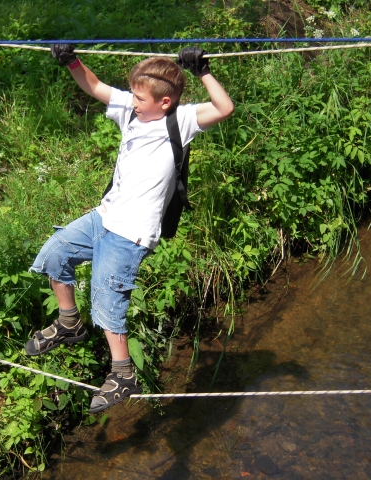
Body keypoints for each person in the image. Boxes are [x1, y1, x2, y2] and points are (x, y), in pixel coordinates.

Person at [27, 44, 234, 413]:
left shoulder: (181, 120)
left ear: (165, 102)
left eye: (140, 97)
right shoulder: (131, 110)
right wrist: (72, 62)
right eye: (133, 95)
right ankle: (69, 323)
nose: (133, 101)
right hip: (105, 216)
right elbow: (94, 86)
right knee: (56, 253)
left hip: (132, 231)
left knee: (106, 295)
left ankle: (122, 374)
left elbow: (224, 107)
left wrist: (202, 71)